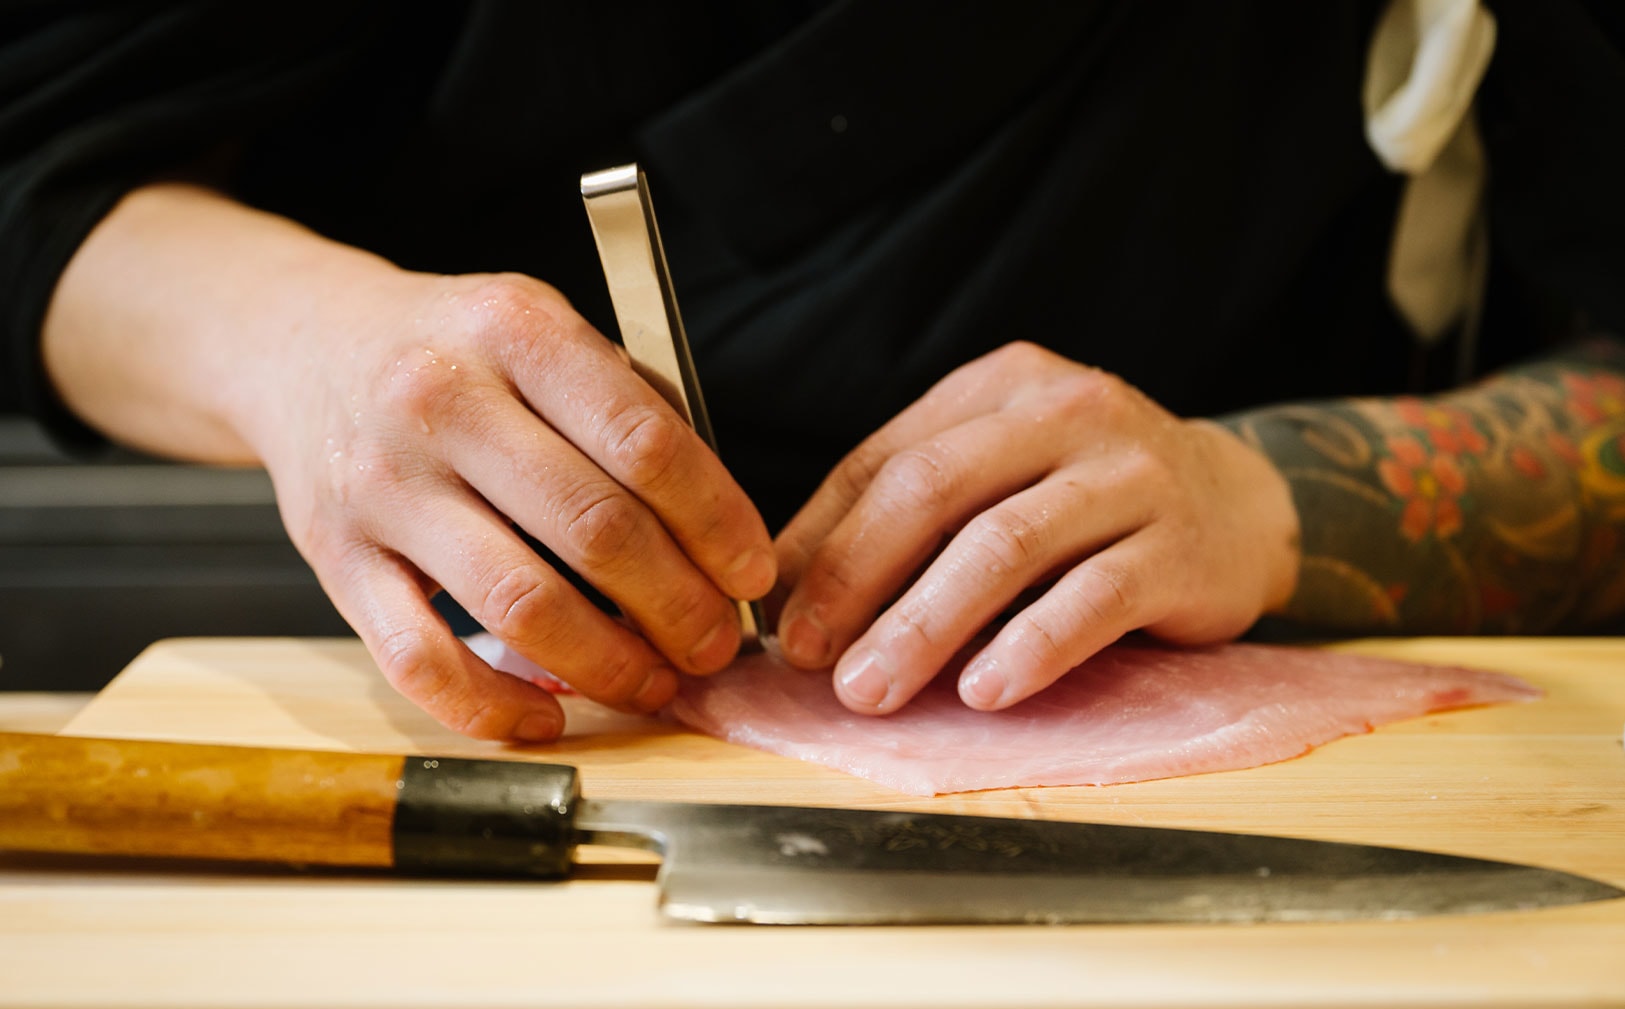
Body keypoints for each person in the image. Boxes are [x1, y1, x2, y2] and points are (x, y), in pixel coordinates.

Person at [3, 2, 1622, 742]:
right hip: (523, 723)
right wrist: (304, 347)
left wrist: (1263, 494)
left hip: (1288, 721)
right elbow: (31, 180)